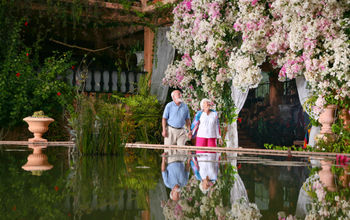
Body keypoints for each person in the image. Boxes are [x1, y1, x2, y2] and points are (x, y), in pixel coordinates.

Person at [162, 90, 192, 163]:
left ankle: (180, 165)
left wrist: (189, 130)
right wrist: (164, 130)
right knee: (168, 150)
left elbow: (187, 120)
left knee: (182, 149)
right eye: (178, 94)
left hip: (182, 130)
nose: (180, 95)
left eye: (180, 94)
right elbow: (164, 119)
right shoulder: (169, 105)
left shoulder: (185, 106)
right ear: (173, 97)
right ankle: (172, 165)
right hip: (171, 130)